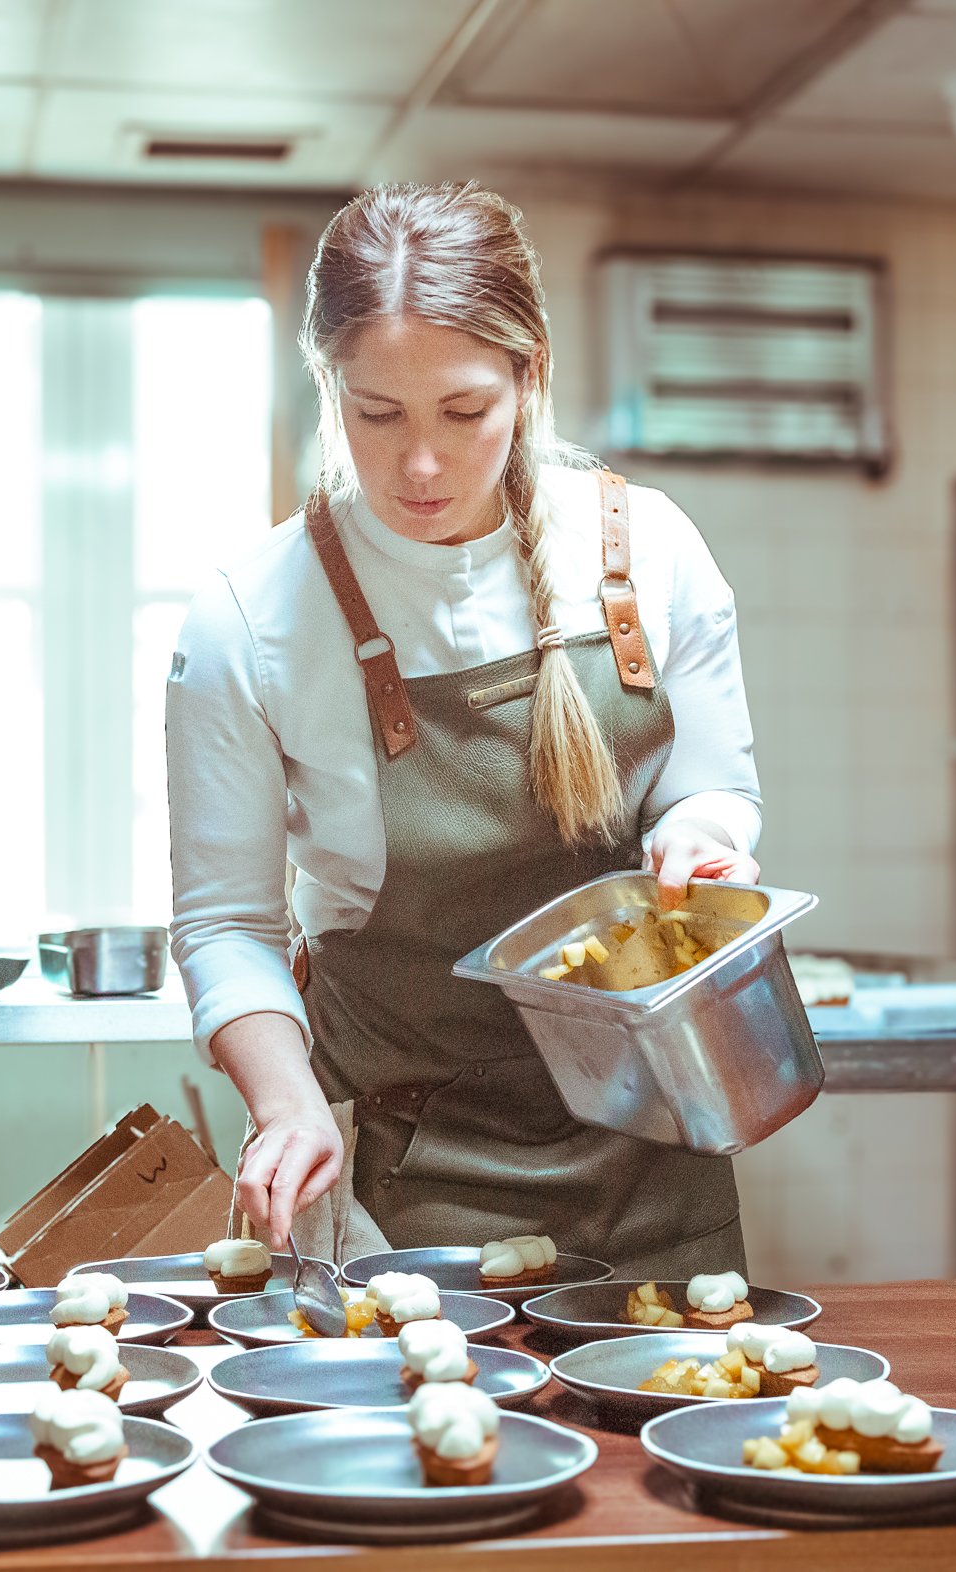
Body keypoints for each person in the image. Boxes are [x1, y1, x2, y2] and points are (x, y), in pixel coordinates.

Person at [165, 182, 762, 1275]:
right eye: (374, 414)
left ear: (530, 375)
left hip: (654, 1157)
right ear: (323, 385)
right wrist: (284, 1103)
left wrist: (700, 839)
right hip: (407, 1180)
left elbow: (710, 788)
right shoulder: (249, 618)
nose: (420, 466)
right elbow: (225, 928)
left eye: (464, 411)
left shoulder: (649, 552)